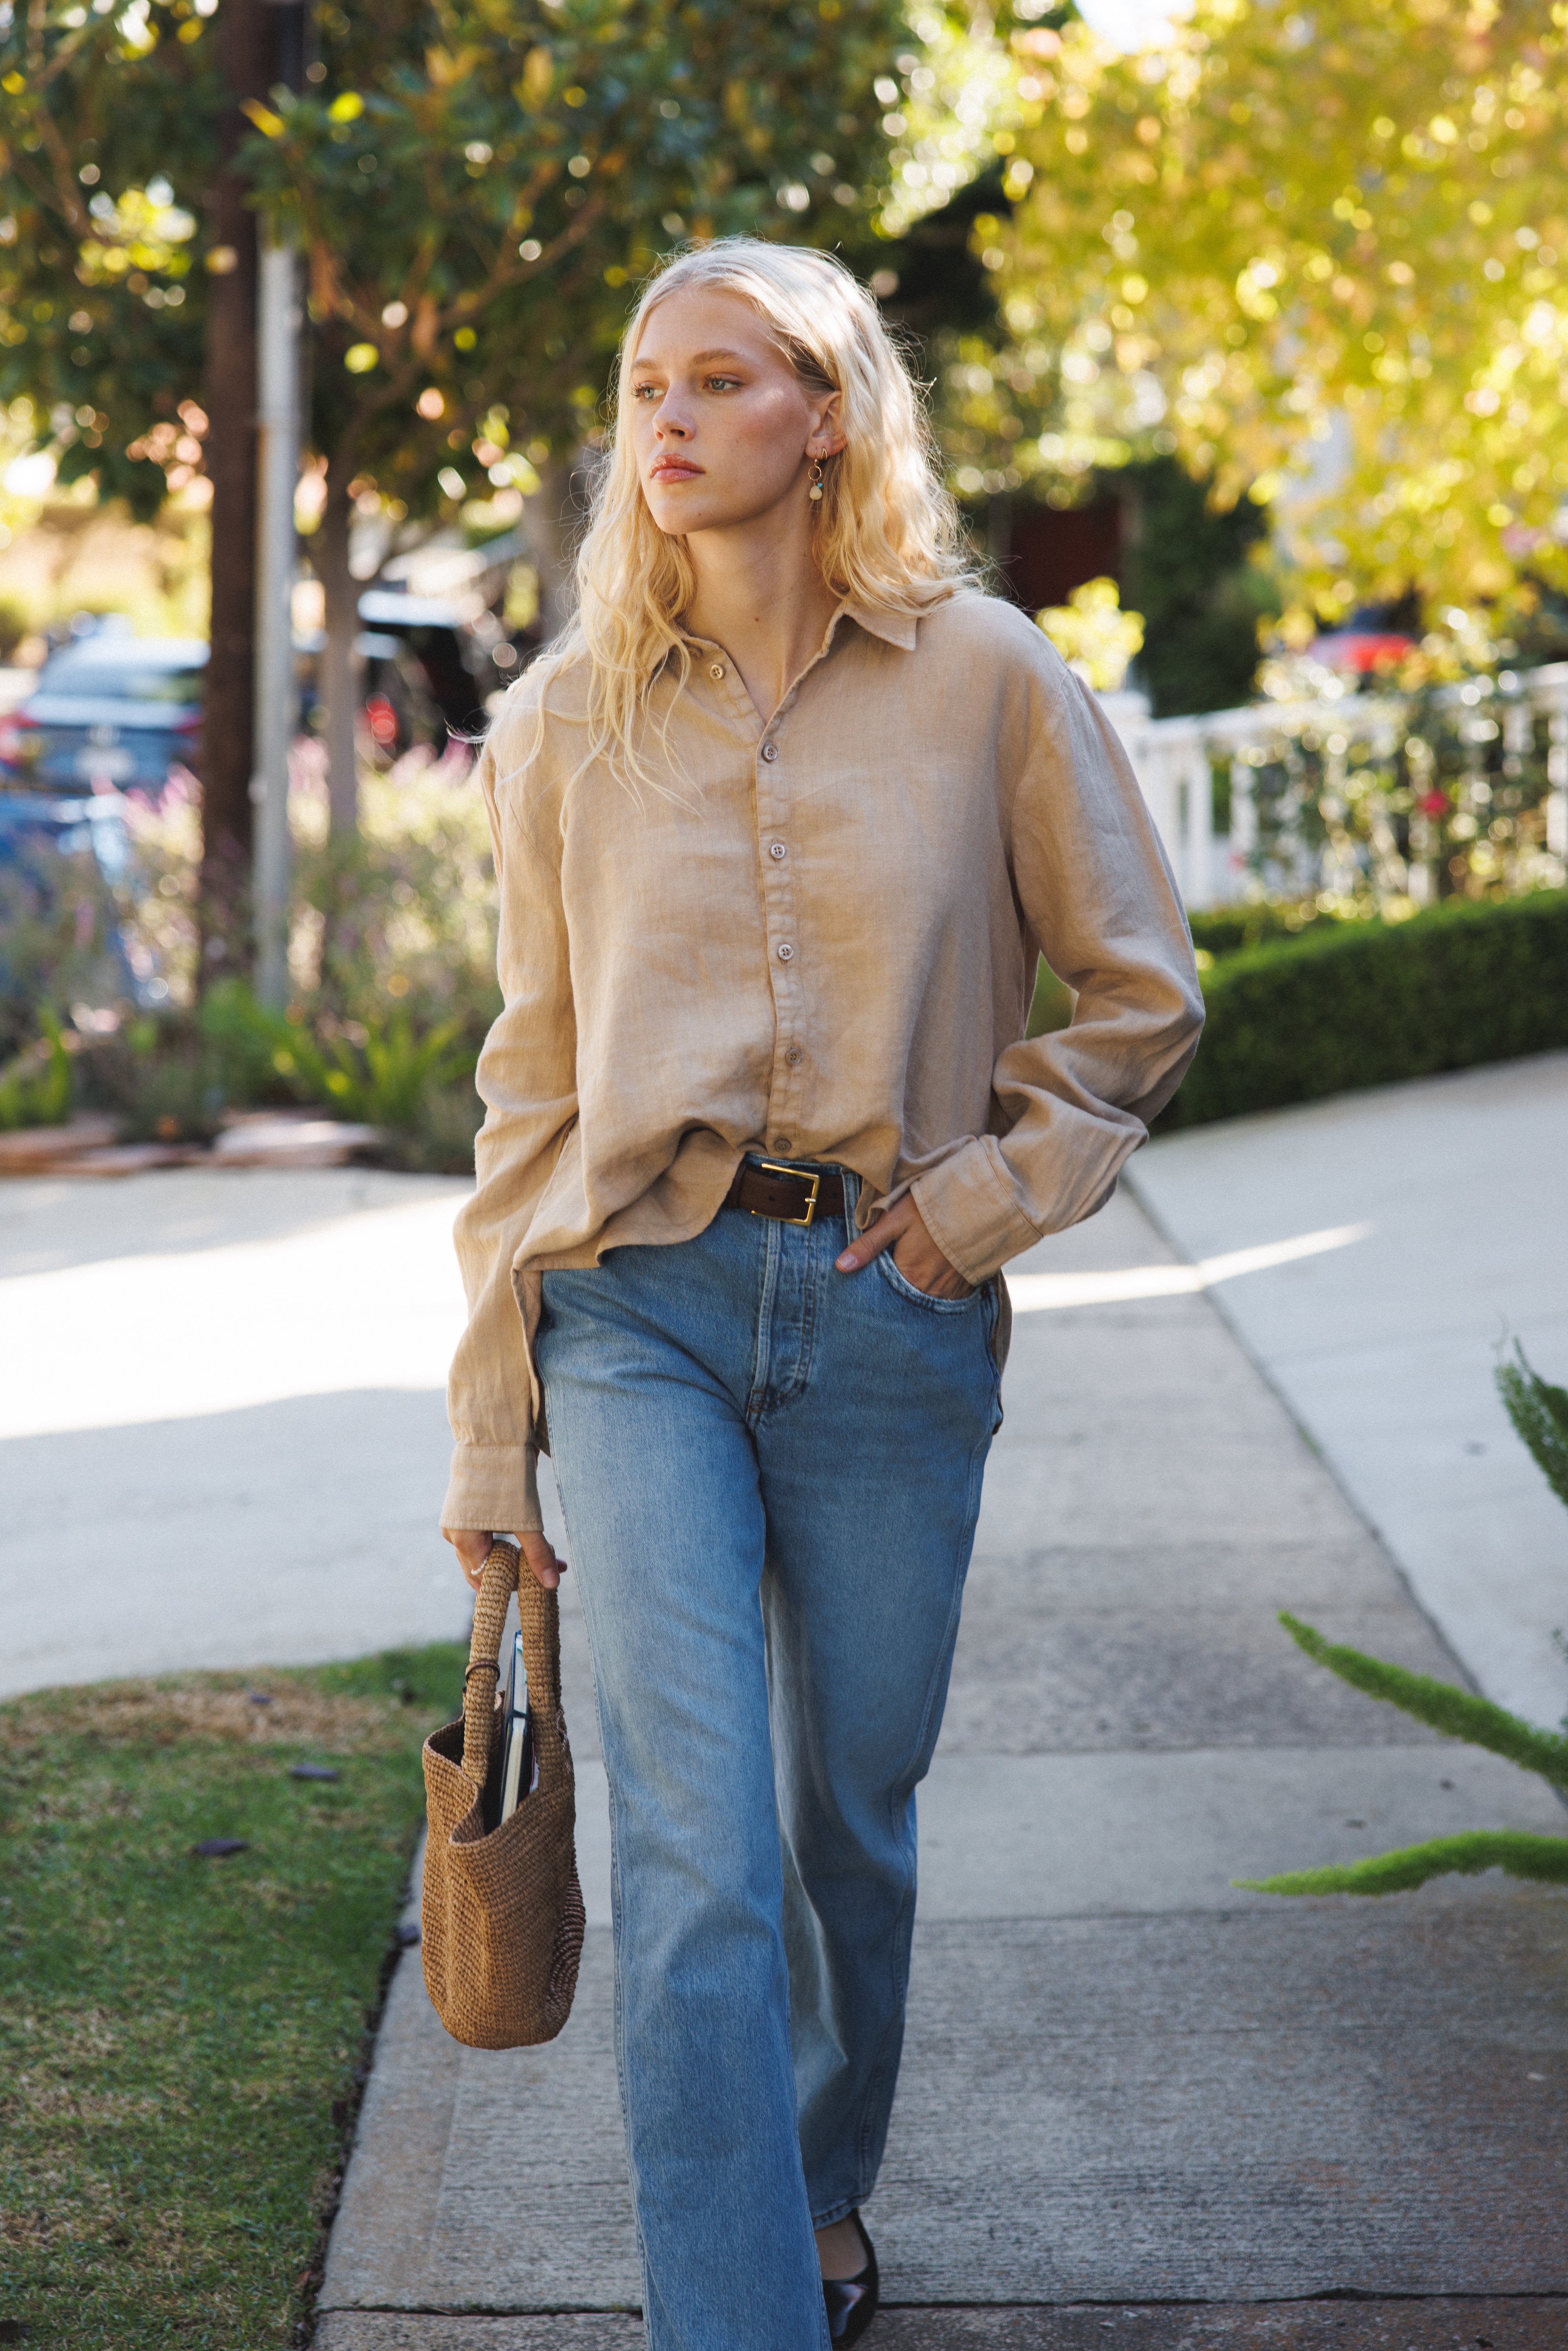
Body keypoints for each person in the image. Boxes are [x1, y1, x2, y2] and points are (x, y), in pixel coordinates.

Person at [443, 238, 1202, 2351]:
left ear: (827, 414)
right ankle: (743, 2314)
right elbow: (533, 1089)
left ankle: (824, 2184)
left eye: (719, 381)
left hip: (889, 1311)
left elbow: (1143, 997)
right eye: (638, 384)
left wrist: (989, 1194)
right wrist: (487, 1424)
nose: (665, 422)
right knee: (694, 1859)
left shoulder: (988, 681)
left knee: (844, 1816)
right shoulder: (563, 723)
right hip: (640, 1308)